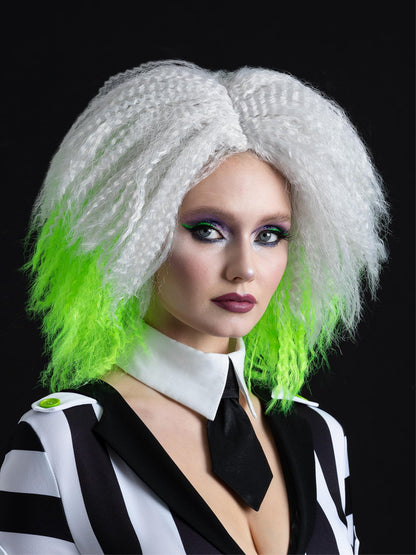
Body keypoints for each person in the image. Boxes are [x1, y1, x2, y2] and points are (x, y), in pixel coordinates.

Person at [0, 60, 388, 554]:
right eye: (208, 230)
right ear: (135, 234)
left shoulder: (320, 437)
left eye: (270, 234)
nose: (244, 268)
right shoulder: (62, 443)